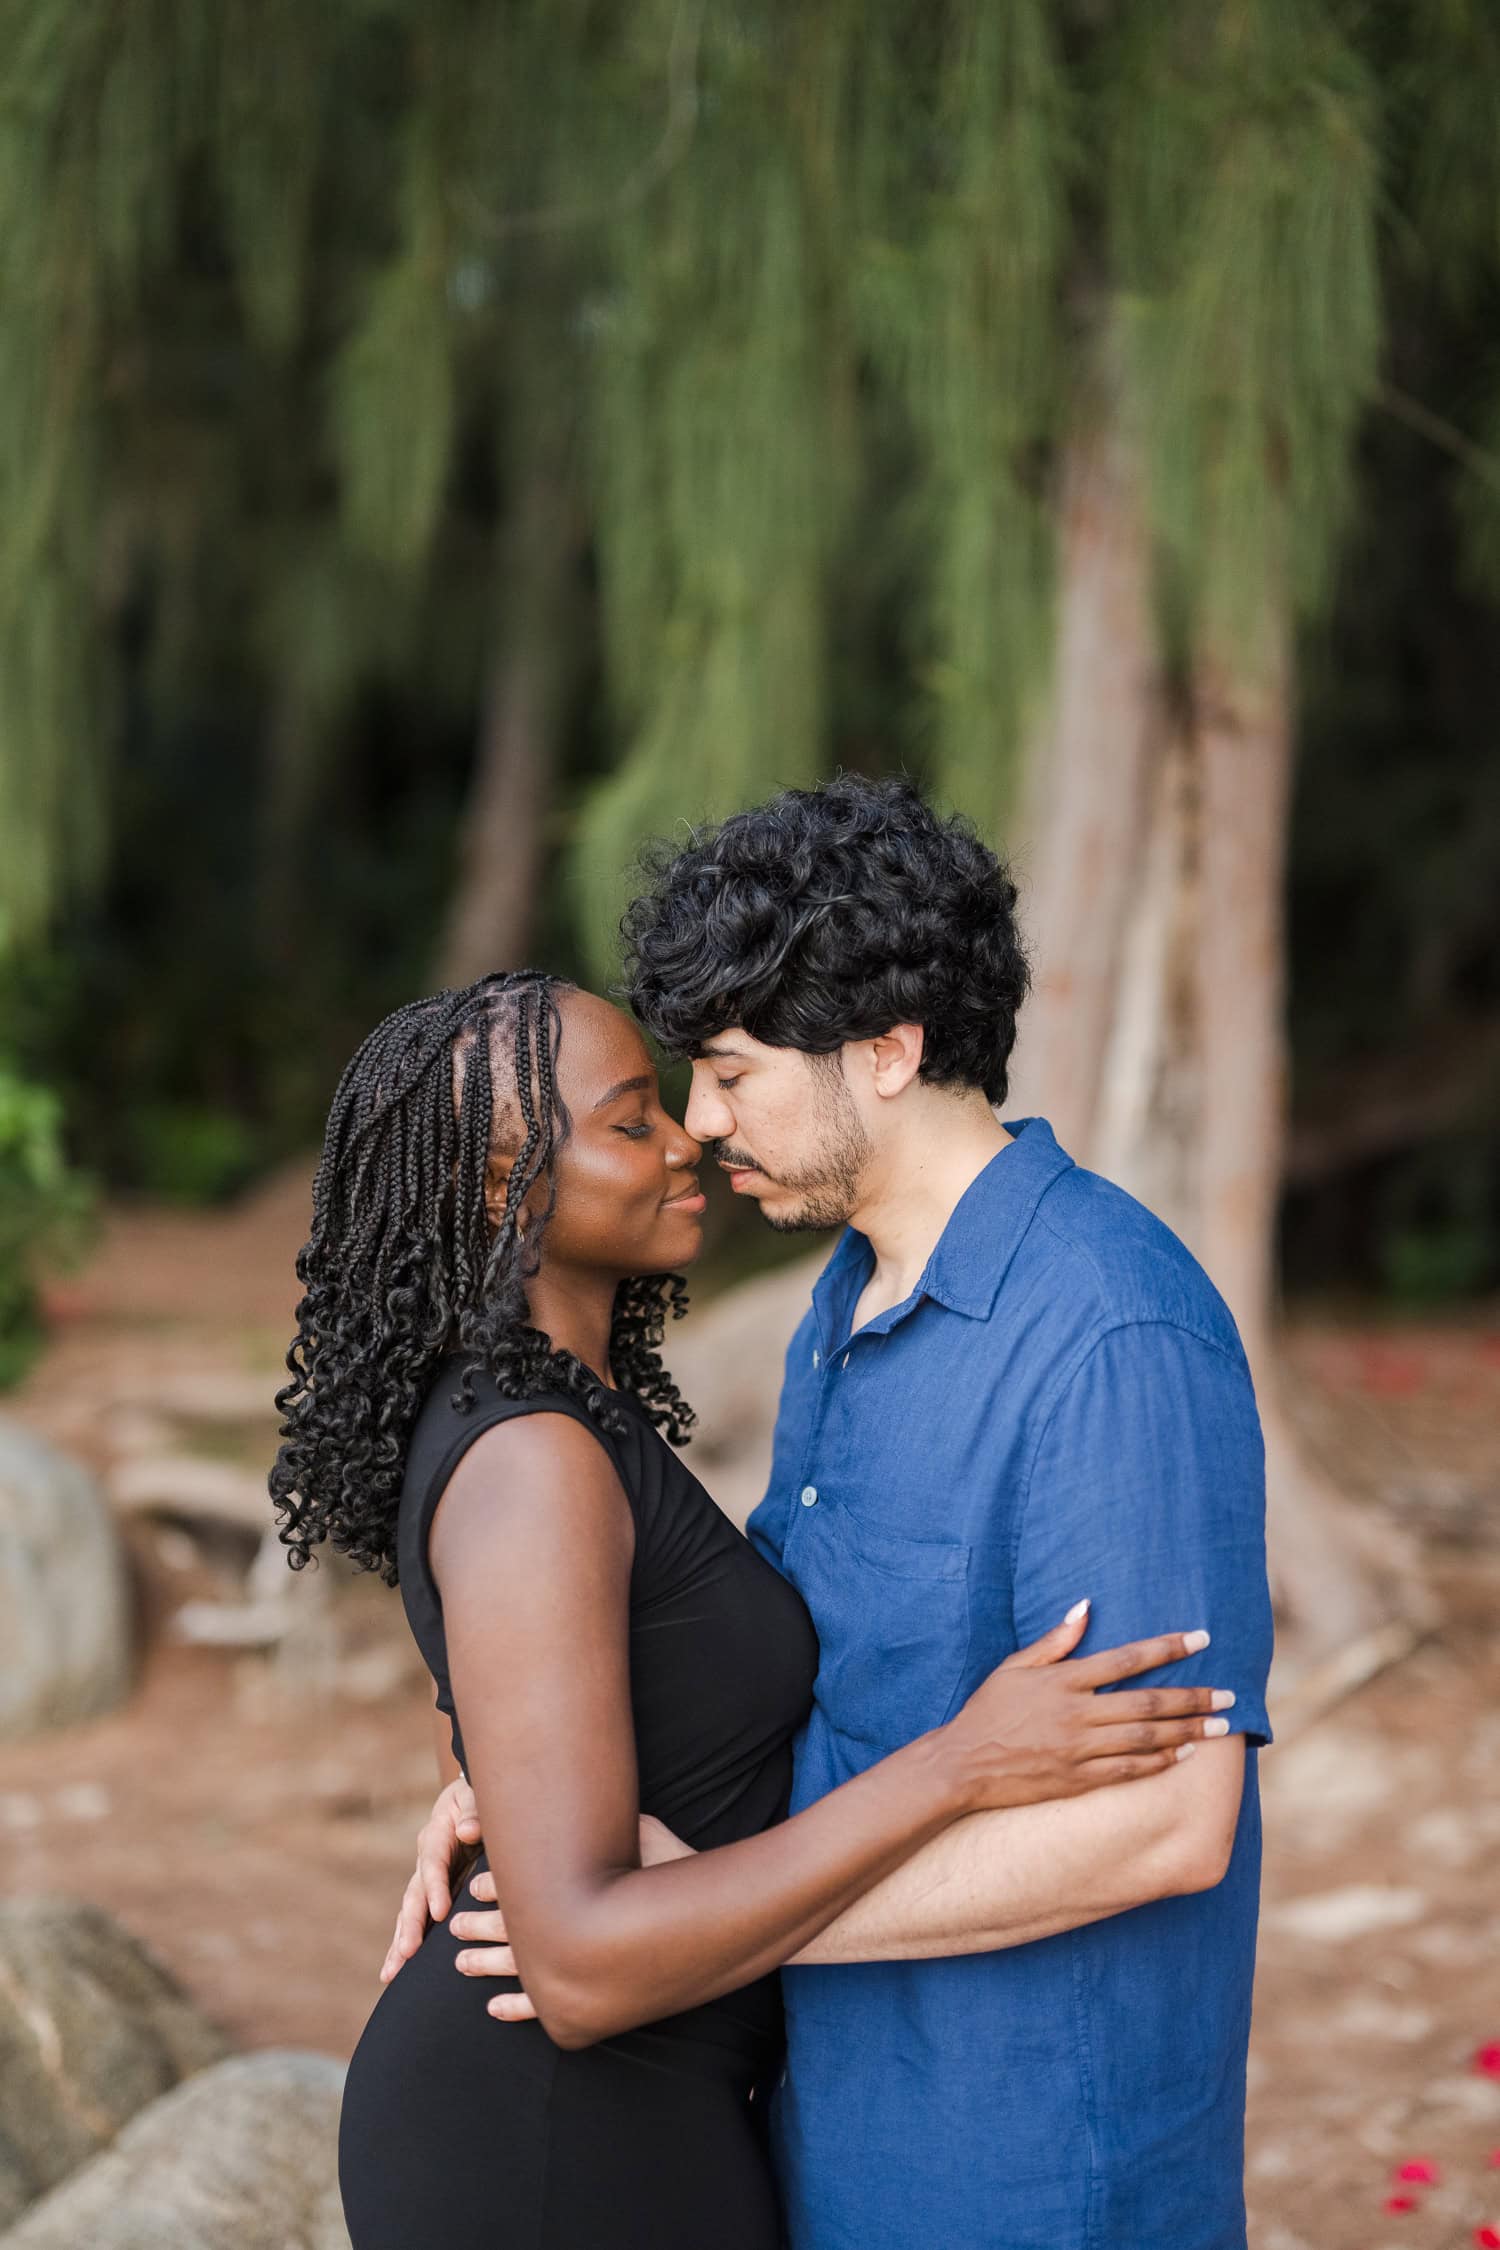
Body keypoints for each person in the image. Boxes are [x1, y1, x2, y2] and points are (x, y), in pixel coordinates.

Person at [393, 776, 1277, 2250]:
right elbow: (791, 1688)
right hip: (825, 2153)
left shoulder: (1113, 1334)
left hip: (1036, 2181)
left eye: (733, 1072)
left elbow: (1170, 1827)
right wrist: (534, 1781)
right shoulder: (842, 1309)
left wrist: (718, 1919)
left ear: (887, 1050)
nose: (699, 1120)